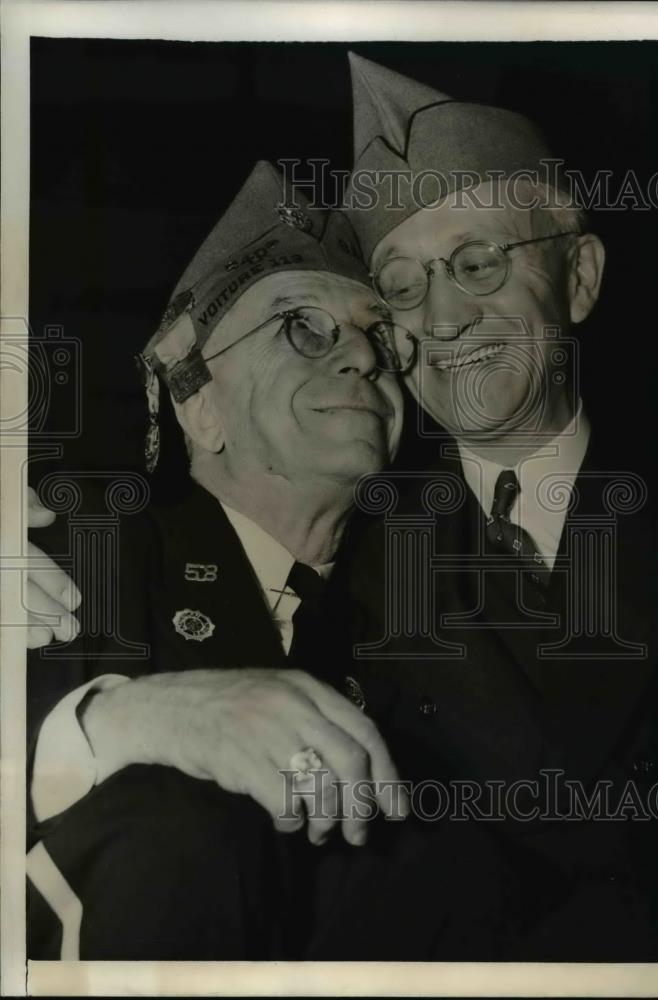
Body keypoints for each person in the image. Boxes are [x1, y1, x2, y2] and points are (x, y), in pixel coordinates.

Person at [328, 53, 658, 961]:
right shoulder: (347, 549)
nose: (440, 318)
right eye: (400, 285)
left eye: (475, 263)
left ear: (579, 278)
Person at [25, 159, 411, 960]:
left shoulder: (434, 618)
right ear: (199, 407)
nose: (364, 359)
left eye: (379, 333)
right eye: (302, 325)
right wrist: (125, 719)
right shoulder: (76, 547)